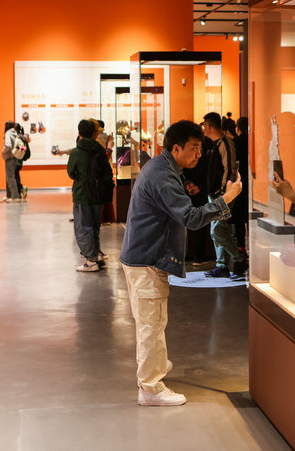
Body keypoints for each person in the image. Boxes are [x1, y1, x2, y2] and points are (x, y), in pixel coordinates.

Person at [119, 120, 242, 406]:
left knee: (153, 321)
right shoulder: (163, 175)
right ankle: (150, 388)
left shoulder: (163, 168)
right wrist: (227, 198)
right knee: (151, 325)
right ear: (176, 148)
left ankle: (153, 365)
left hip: (144, 256)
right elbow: (191, 218)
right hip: (147, 258)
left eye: (200, 148)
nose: (199, 154)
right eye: (194, 148)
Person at [201, 112, 248, 279]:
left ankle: (239, 259)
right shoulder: (217, 143)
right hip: (216, 194)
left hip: (222, 195)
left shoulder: (225, 143)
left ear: (209, 126)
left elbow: (229, 169)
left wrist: (223, 193)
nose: (204, 129)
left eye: (204, 126)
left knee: (217, 230)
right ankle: (222, 265)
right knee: (218, 229)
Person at [67, 119, 112, 272]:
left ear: (79, 133)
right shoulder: (100, 150)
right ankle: (96, 254)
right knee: (94, 226)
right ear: (94, 133)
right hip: (98, 194)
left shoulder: (76, 152)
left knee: (83, 227)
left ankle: (91, 261)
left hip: (82, 194)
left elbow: (70, 173)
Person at [231, 117, 250, 252]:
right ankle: (252, 244)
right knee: (249, 216)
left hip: (238, 180)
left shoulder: (235, 142)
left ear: (237, 128)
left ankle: (241, 246)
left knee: (239, 217)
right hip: (251, 181)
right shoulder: (253, 140)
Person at [1, 121, 21, 203]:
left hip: (9, 157)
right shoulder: (15, 133)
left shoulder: (8, 133)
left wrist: (3, 152)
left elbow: (8, 145)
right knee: (10, 177)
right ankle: (9, 195)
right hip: (15, 157)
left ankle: (15, 196)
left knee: (10, 177)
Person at [11, 123, 30, 200]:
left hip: (15, 159)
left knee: (15, 176)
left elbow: (18, 148)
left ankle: (21, 189)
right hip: (20, 160)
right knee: (16, 175)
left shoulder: (17, 137)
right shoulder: (23, 137)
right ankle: (19, 191)